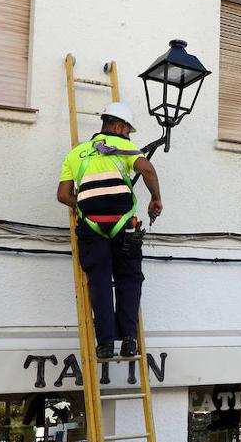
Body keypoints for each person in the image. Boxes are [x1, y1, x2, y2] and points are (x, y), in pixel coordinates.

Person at [57, 101, 163, 360]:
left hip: (91, 226)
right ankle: (128, 341)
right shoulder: (123, 147)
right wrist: (155, 199)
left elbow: (62, 195)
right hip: (122, 222)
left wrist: (82, 205)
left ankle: (104, 344)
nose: (128, 135)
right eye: (128, 130)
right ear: (118, 126)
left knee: (100, 281)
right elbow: (147, 168)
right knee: (129, 278)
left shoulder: (75, 154)